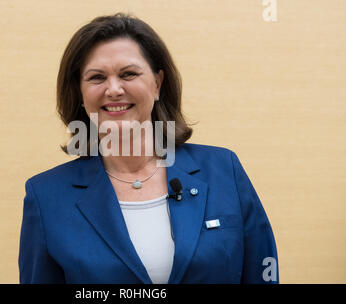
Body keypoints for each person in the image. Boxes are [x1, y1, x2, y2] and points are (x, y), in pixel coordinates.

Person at [18, 13, 278, 284]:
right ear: (81, 94)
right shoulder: (46, 196)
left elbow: (262, 273)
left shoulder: (224, 170)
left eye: (128, 74)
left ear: (157, 84)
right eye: (97, 78)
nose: (114, 89)